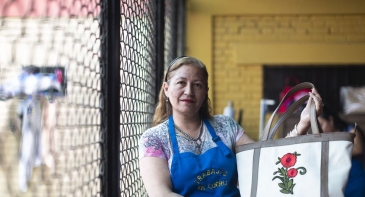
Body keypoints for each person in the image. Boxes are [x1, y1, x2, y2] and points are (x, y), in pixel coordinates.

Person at [138, 56, 324, 197]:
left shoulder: (225, 126)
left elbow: (265, 161)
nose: (189, 91)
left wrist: (303, 123)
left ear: (205, 92)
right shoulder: (154, 139)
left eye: (197, 85)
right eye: (181, 83)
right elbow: (161, 193)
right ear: (166, 88)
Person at [318, 104, 365, 197]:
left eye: (321, 125)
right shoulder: (322, 139)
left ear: (331, 120)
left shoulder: (350, 129)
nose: (319, 130)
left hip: (354, 178)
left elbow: (357, 149)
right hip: (336, 180)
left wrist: (330, 152)